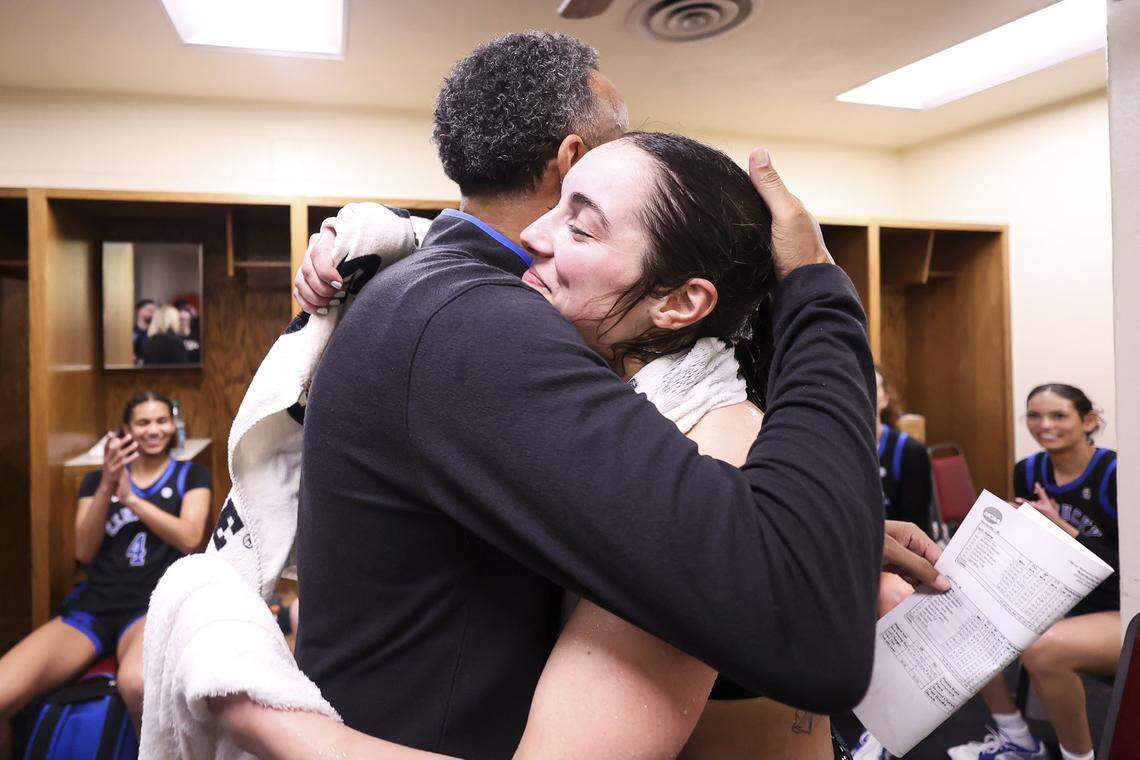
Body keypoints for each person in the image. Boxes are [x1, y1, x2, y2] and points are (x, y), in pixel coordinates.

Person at [218, 31, 940, 760]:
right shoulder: (477, 323)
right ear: (569, 156)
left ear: (683, 302)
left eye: (582, 221)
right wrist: (818, 289)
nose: (538, 233)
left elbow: (624, 509)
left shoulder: (438, 293)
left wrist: (810, 524)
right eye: (582, 186)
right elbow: (808, 616)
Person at [0, 392, 211, 752]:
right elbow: (83, 550)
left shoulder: (191, 475)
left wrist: (131, 500)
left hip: (149, 607)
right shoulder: (98, 480)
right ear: (127, 429)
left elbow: (190, 538)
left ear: (172, 427)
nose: (153, 430)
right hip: (93, 608)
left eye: (161, 421)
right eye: (143, 422)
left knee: (136, 685)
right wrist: (106, 486)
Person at [945, 384, 1118, 760]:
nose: (1045, 425)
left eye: (1058, 415)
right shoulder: (1029, 470)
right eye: (1035, 416)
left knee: (1043, 649)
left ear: (1088, 421)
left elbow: (1129, 569)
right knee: (968, 615)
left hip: (1118, 606)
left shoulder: (1116, 473)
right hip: (1056, 597)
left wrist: (1068, 533)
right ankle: (1018, 739)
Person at [876, 366, 934, 535]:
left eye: (872, 385)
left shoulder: (910, 452)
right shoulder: (837, 451)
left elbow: (918, 529)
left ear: (885, 399)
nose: (865, 390)